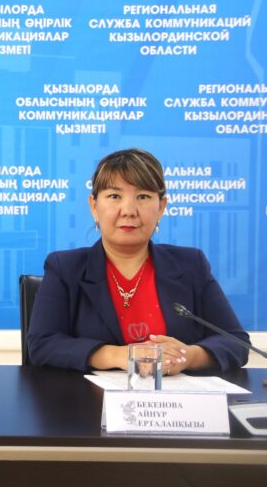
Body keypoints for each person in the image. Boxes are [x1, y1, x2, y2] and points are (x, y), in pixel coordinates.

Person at [26, 148, 250, 374]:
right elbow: (42, 344)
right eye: (114, 196)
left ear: (161, 207)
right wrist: (118, 355)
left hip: (175, 394)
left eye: (143, 197)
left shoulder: (190, 264)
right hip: (90, 395)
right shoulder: (65, 267)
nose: (129, 211)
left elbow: (236, 342)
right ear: (94, 206)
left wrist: (186, 356)